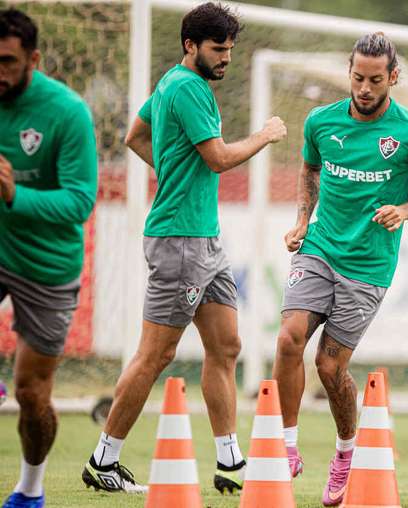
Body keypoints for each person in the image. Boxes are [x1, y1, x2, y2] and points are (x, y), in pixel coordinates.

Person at [82, 2, 287, 494]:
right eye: (219, 49)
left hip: (203, 238)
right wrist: (263, 135)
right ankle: (102, 461)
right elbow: (217, 159)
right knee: (155, 354)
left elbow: (136, 136)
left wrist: (172, 174)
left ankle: (230, 462)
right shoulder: (190, 88)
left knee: (226, 346)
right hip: (181, 242)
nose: (227, 59)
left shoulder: (169, 83)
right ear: (190, 45)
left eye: (231, 50)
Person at [273, 32, 408, 507]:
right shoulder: (320, 121)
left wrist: (405, 212)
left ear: (393, 77)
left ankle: (346, 451)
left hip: (369, 265)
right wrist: (302, 222)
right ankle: (284, 448)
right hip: (319, 248)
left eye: (375, 80)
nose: (365, 88)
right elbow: (309, 171)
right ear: (348, 73)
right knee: (289, 337)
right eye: (357, 78)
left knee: (330, 367)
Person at [0, 9, 97, 507]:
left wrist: (15, 193)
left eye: (6, 61)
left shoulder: (67, 112)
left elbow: (80, 202)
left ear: (33, 59)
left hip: (46, 262)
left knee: (32, 394)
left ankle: (30, 491)